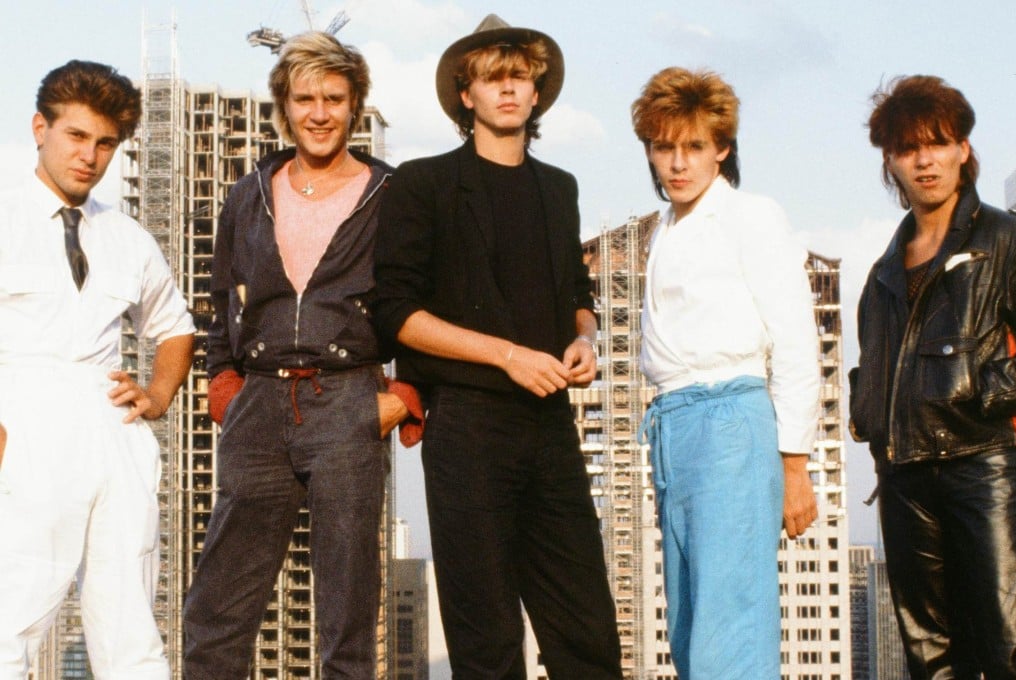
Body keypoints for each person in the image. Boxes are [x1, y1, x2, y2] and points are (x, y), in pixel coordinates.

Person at [372, 14, 622, 679]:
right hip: (466, 423)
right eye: (492, 78)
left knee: (589, 633)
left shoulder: (558, 187)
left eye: (519, 77)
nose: (508, 90)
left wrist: (583, 340)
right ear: (466, 94)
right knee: (486, 640)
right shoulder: (423, 184)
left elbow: (577, 291)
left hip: (550, 425)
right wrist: (506, 354)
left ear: (537, 93)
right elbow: (395, 313)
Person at [181, 31, 413, 679]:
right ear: (284, 106)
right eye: (305, 98)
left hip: (348, 401)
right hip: (258, 403)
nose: (319, 112)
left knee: (346, 608)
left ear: (355, 104)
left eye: (334, 99)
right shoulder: (249, 192)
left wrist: (405, 396)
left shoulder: (392, 193)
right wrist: (222, 382)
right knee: (218, 607)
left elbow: (425, 299)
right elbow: (220, 294)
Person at [0, 60, 195, 678]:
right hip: (24, 425)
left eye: (105, 143)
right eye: (76, 136)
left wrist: (159, 395)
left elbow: (176, 326)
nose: (89, 155)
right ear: (40, 128)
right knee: (11, 617)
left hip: (113, 431)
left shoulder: (128, 236)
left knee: (131, 626)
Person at [631, 67, 819, 679]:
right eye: (664, 147)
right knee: (688, 626)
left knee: (728, 629)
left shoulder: (751, 215)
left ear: (722, 149)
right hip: (673, 427)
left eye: (693, 147)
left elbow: (794, 340)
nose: (677, 163)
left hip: (731, 421)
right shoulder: (664, 228)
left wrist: (794, 465)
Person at [850, 75, 1016, 678]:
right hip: (903, 480)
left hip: (984, 467)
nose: (925, 160)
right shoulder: (882, 276)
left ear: (963, 150)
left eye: (939, 142)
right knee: (929, 656)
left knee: (1007, 643)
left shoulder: (1004, 238)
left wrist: (980, 392)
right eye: (907, 148)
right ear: (890, 163)